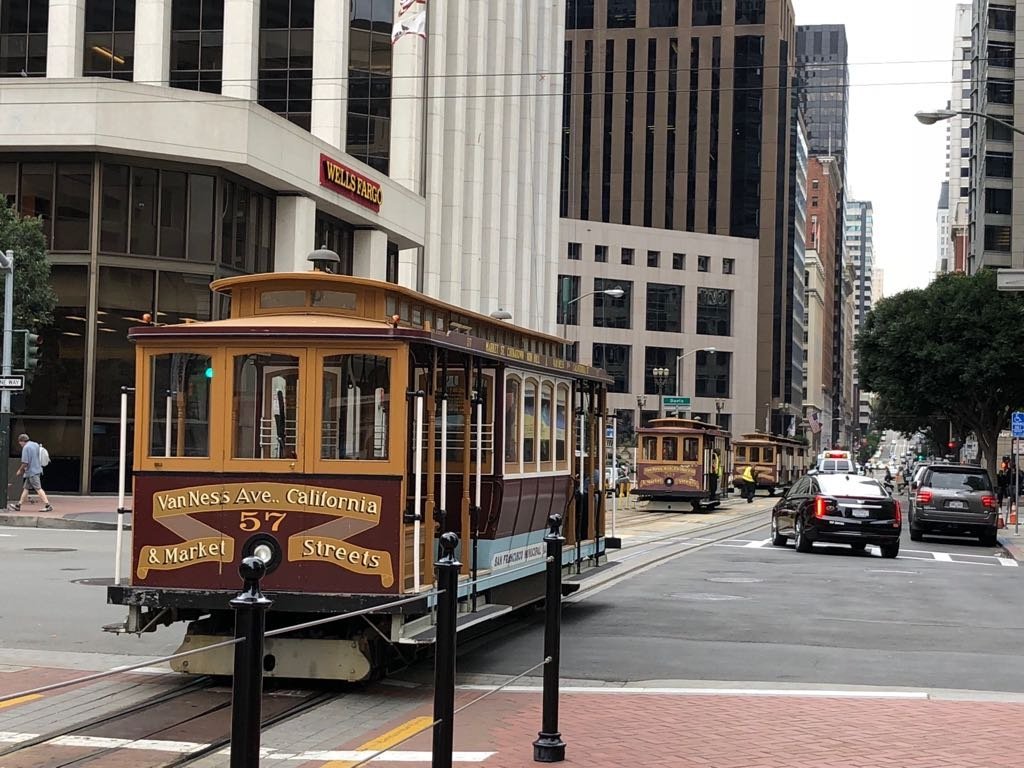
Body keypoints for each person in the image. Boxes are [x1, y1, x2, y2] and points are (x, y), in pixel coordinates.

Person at [9, 434, 53, 513]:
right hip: (36, 469)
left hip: (32, 472)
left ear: (22, 441)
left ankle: (48, 505)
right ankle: (18, 505)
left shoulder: (26, 448)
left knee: (38, 488)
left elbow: (25, 462)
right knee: (26, 489)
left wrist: (20, 470)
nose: (20, 445)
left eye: (20, 443)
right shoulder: (35, 444)